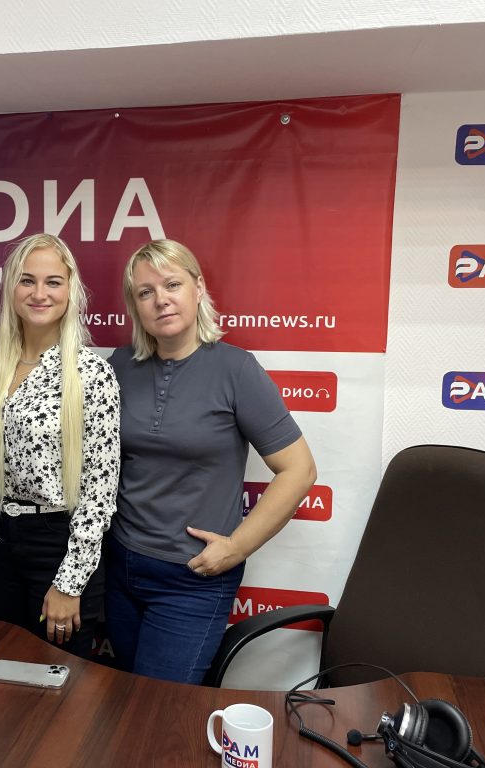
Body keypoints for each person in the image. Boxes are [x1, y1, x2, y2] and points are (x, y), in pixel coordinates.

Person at [105, 239, 317, 684]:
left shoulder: (236, 370)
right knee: (125, 699)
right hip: (120, 567)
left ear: (198, 289)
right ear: (135, 306)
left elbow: (299, 470)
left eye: (173, 285)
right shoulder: (120, 366)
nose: (161, 299)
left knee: (159, 709)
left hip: (191, 581)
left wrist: (237, 547)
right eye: (145, 292)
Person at [0, 233, 119, 658]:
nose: (39, 293)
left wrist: (69, 584)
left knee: (61, 683)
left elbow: (99, 493)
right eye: (27, 280)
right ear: (10, 288)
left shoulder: (91, 374)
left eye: (53, 282)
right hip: (2, 540)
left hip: (59, 544)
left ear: (71, 291)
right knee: (10, 674)